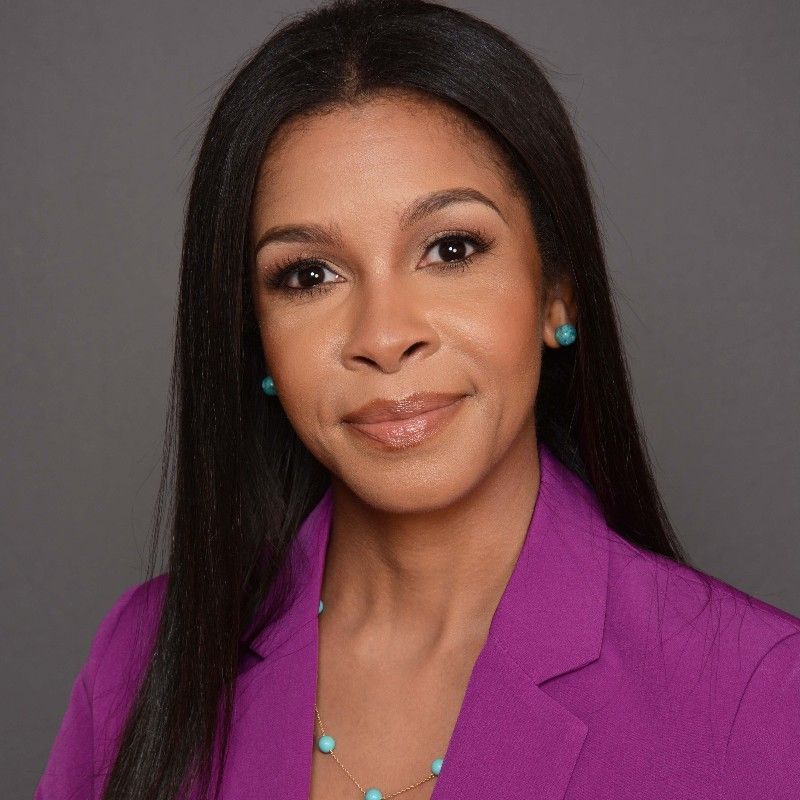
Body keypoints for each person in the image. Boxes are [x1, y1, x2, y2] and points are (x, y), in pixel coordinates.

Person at [35, 1, 800, 798]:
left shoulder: (764, 698)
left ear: (558, 293)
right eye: (308, 274)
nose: (384, 334)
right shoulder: (144, 655)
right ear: (253, 335)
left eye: (451, 248)